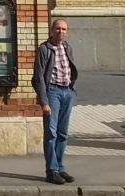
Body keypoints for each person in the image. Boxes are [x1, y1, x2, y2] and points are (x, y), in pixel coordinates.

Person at [33, 18, 76, 184]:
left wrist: (72, 90)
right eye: (58, 29)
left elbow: (70, 70)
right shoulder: (44, 49)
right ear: (52, 31)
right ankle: (51, 171)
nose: (61, 32)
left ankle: (60, 167)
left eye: (64, 29)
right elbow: (39, 77)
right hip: (53, 92)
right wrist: (44, 102)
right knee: (51, 133)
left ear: (67, 31)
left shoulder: (67, 47)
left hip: (67, 92)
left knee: (62, 133)